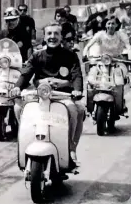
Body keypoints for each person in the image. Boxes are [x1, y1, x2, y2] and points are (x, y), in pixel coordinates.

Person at [10, 21, 85, 169]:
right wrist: (17, 87)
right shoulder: (37, 56)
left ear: (61, 36)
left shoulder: (70, 56)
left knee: (76, 110)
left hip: (62, 96)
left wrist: (76, 89)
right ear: (44, 37)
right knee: (19, 108)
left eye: (56, 34)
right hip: (40, 95)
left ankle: (70, 148)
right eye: (49, 34)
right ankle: (27, 139)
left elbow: (77, 75)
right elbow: (26, 74)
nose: (52, 37)